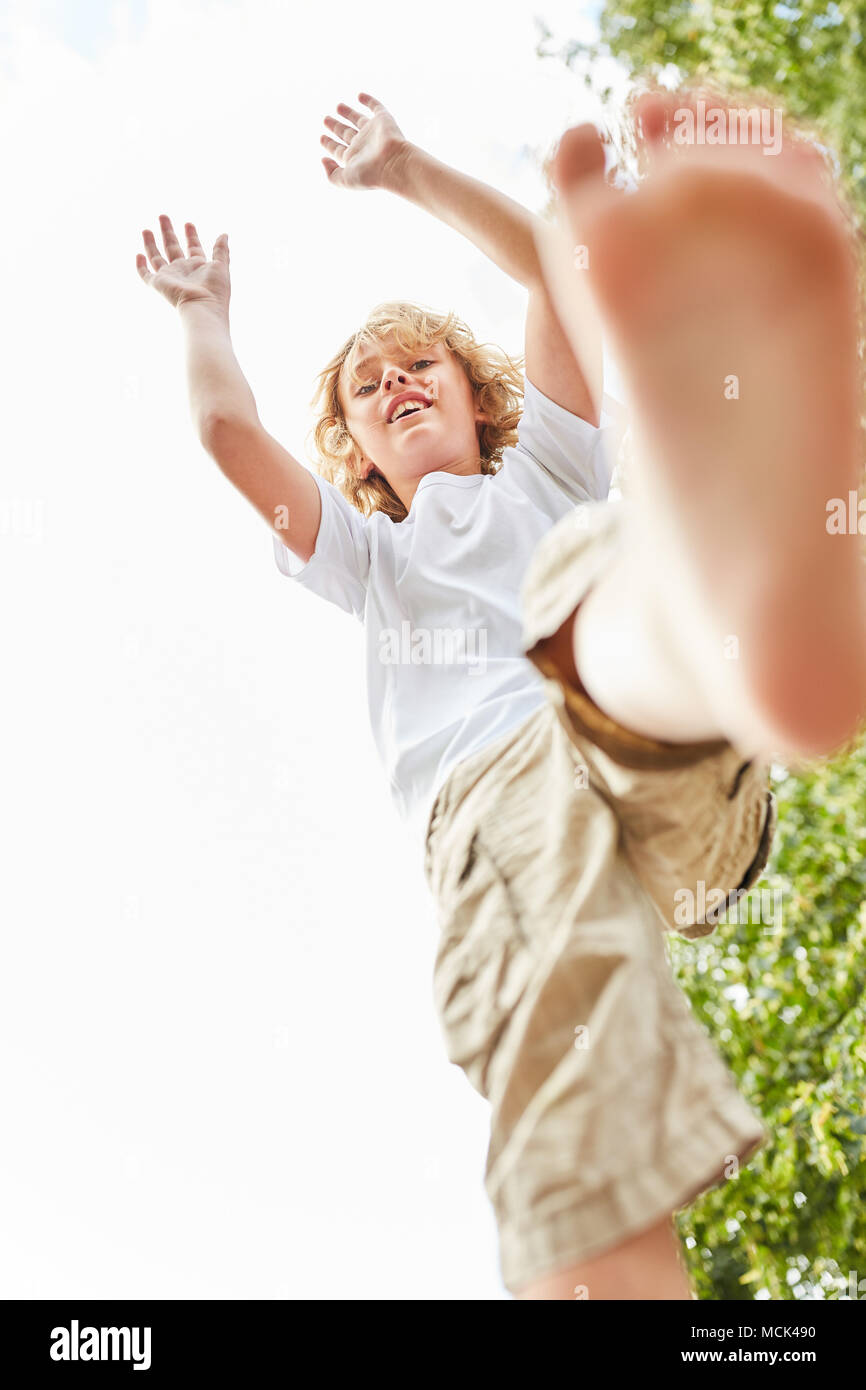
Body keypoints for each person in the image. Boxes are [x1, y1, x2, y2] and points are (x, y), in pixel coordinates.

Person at [135, 88, 866, 1300]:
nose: (393, 383)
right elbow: (224, 427)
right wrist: (202, 313)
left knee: (590, 571)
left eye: (417, 362)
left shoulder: (550, 458)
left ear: (476, 392)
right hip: (506, 807)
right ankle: (732, 574)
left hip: (658, 765)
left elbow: (563, 269)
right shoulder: (364, 561)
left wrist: (405, 168)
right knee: (580, 1096)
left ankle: (738, 574)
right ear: (355, 451)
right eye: (367, 388)